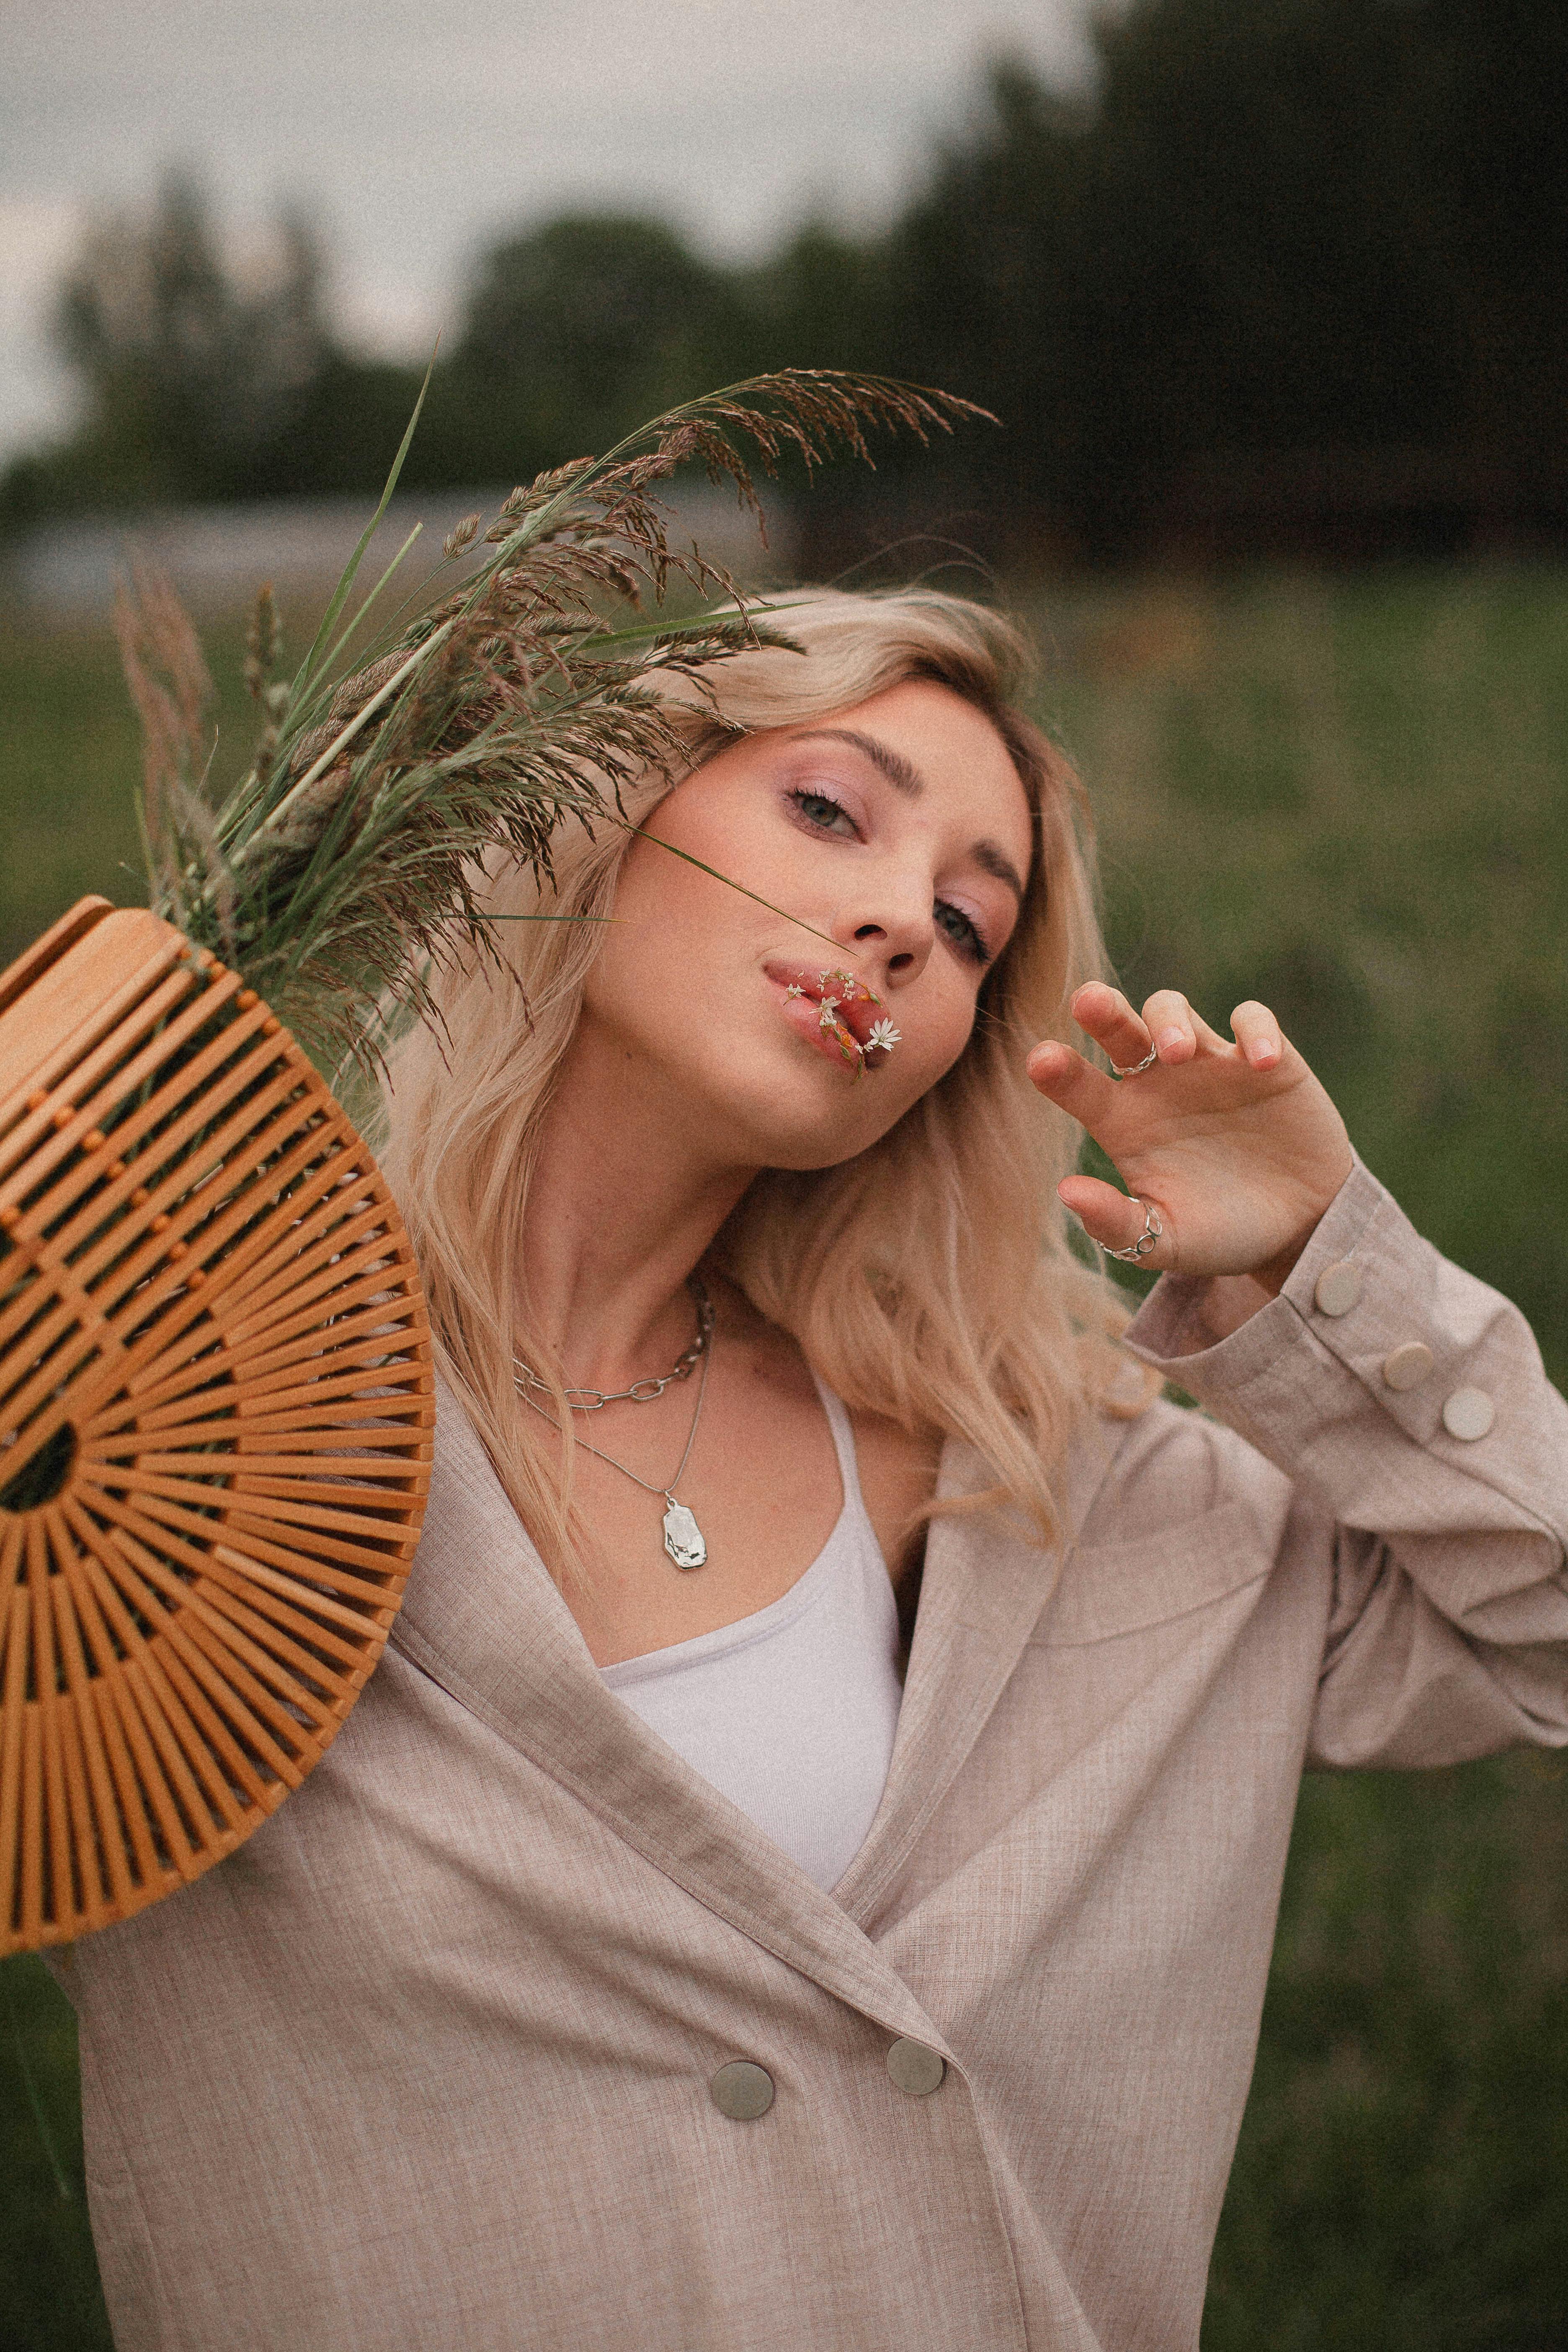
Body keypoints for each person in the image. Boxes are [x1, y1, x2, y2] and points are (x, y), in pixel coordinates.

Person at [53, 589, 1568, 2352]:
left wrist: (1324, 1267)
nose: (897, 925)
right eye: (831, 812)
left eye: (967, 922)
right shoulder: (169, 1430)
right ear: (600, 803)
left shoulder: (1059, 1496)